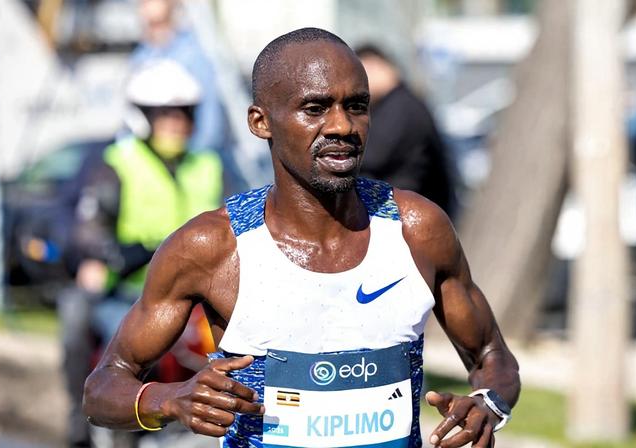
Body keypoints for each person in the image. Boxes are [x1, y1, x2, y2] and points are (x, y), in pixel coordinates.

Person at [84, 28, 520, 448]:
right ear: (260, 122)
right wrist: (166, 400)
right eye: (315, 109)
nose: (342, 126)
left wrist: (489, 404)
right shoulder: (214, 248)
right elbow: (103, 388)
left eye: (356, 106)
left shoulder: (416, 230)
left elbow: (490, 355)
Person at [59, 60, 224, 447]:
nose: (177, 122)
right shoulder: (117, 164)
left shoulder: (210, 165)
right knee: (75, 313)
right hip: (131, 293)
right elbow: (90, 225)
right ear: (142, 116)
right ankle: (83, 419)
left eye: (185, 113)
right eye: (166, 114)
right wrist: (106, 253)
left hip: (202, 300)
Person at [355, 44, 457, 217]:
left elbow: (369, 157)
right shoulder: (397, 104)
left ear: (376, 66)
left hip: (411, 215)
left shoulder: (401, 106)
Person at [131, 0, 228, 153]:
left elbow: (210, 117)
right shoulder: (140, 57)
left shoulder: (193, 53)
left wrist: (198, 154)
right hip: (151, 156)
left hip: (189, 155)